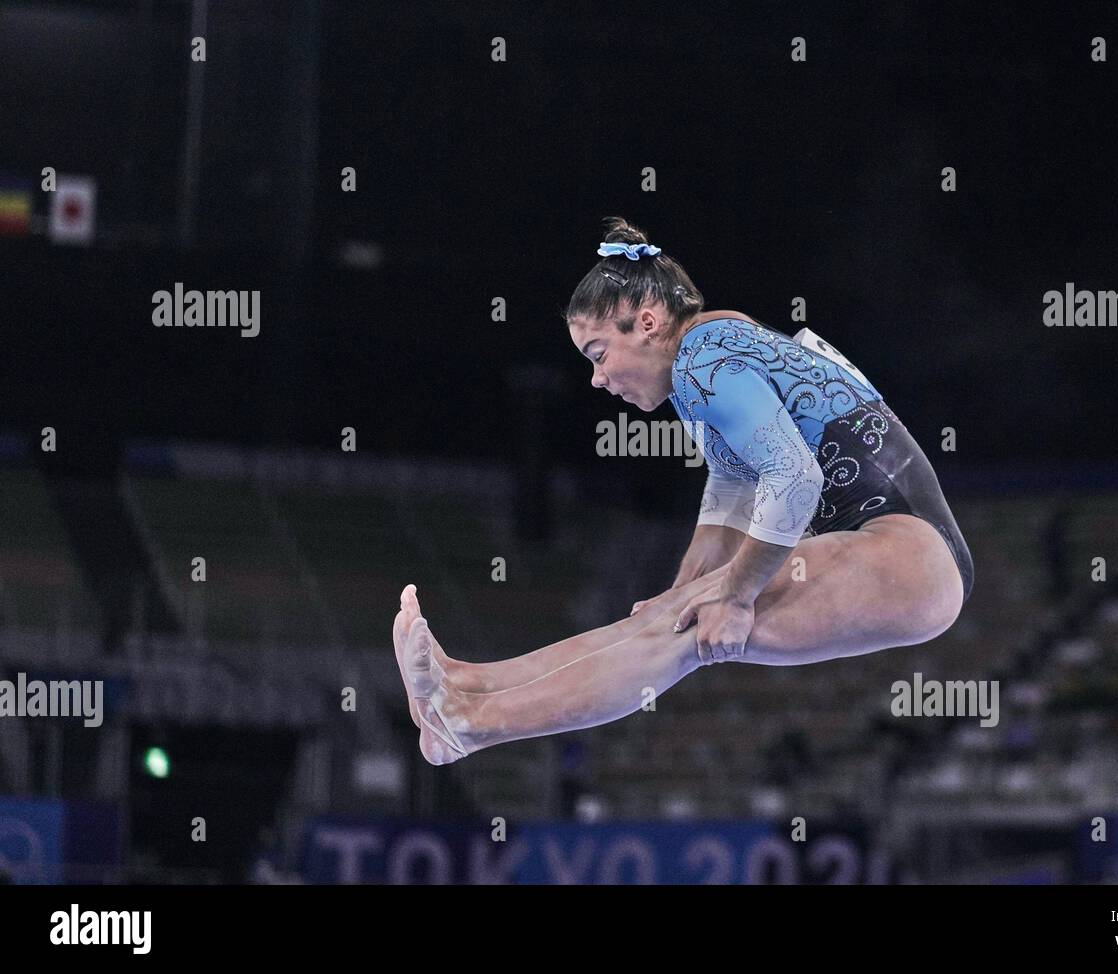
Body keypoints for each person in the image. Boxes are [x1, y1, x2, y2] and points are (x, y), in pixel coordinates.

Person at [394, 217, 974, 764]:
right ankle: (465, 684)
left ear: (646, 323)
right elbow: (729, 494)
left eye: (599, 356)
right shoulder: (716, 349)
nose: (597, 379)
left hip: (911, 555)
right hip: (907, 554)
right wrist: (679, 593)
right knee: (669, 618)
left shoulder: (705, 360)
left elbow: (795, 482)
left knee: (689, 631)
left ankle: (471, 725)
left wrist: (738, 596)